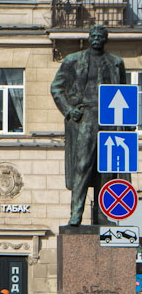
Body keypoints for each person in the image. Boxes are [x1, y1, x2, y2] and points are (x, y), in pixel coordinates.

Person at [50, 24, 128, 225]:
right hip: (86, 117)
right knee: (83, 165)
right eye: (93, 35)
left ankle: (101, 214)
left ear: (106, 39)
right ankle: (76, 213)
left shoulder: (116, 63)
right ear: (88, 38)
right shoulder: (73, 60)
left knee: (106, 170)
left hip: (110, 119)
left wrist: (126, 125)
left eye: (100, 36)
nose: (96, 39)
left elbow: (124, 94)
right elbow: (56, 88)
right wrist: (69, 110)